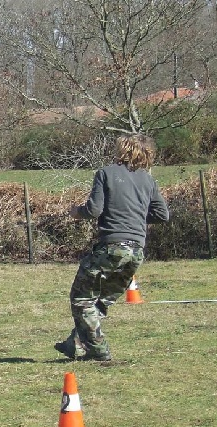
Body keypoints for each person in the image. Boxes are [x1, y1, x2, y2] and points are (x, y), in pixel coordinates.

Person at [55, 134, 170, 362]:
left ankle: (99, 350)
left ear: (123, 150)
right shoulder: (148, 180)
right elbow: (162, 215)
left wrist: (76, 212)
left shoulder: (105, 173)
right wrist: (135, 216)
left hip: (111, 247)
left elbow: (95, 209)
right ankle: (75, 343)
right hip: (136, 251)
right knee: (102, 300)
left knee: (81, 298)